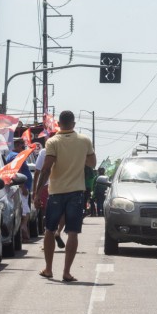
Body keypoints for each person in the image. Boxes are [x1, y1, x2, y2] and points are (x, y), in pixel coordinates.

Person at [33, 110, 95, 283]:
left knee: (49, 230)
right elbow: (92, 163)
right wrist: (78, 158)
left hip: (56, 193)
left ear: (59, 124)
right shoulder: (84, 140)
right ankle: (67, 272)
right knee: (73, 233)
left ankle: (48, 269)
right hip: (76, 193)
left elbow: (46, 168)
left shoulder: (53, 142)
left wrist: (37, 193)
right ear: (73, 124)